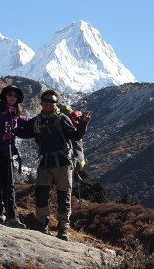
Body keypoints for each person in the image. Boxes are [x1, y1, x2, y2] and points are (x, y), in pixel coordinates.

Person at [22, 90, 92, 240]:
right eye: (46, 100)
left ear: (56, 104)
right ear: (41, 103)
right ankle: (42, 224)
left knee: (63, 197)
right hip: (45, 163)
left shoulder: (62, 119)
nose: (48, 103)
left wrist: (83, 124)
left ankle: (63, 228)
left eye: (52, 101)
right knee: (41, 194)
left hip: (63, 163)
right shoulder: (37, 120)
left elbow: (75, 136)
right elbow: (24, 132)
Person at [0, 85, 30, 228]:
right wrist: (1, 135)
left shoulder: (15, 114)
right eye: (10, 94)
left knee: (7, 185)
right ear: (4, 96)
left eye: (15, 95)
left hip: (7, 154)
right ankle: (2, 215)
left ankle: (7, 215)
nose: (12, 97)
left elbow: (27, 121)